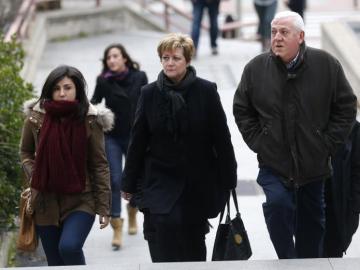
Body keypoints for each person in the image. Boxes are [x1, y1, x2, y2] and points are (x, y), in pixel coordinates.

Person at [233, 11, 357, 259]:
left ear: (300, 36)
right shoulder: (256, 69)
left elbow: (346, 107)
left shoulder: (326, 65)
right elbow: (242, 109)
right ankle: (287, 261)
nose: (276, 38)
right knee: (278, 206)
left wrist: (327, 144)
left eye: (283, 32)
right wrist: (261, 141)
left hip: (314, 165)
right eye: (273, 32)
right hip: (273, 163)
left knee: (312, 227)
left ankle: (307, 264)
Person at [121, 33, 237, 262]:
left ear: (187, 61)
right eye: (165, 58)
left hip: (196, 181)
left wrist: (229, 179)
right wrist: (128, 182)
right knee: (163, 229)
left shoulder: (206, 91)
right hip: (159, 179)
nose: (170, 63)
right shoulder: (149, 93)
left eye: (175, 58)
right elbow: (138, 140)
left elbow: (222, 139)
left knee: (193, 240)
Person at [19, 65, 112, 266]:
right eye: (57, 88)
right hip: (45, 201)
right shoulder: (35, 118)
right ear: (50, 90)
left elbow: (99, 165)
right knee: (55, 261)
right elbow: (25, 151)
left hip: (81, 199)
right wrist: (36, 172)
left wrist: (104, 207)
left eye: (68, 87)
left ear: (77, 89)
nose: (62, 93)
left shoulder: (89, 120)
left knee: (69, 247)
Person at [91, 43, 148, 250]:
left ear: (125, 58)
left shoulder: (140, 77)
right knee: (114, 180)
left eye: (115, 56)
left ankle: (132, 213)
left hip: (135, 137)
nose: (112, 60)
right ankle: (117, 225)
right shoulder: (103, 81)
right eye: (108, 58)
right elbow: (93, 103)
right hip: (112, 136)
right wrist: (96, 115)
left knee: (133, 178)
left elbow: (148, 102)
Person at [323, 119, 360, 257]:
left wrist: (354, 209)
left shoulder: (353, 128)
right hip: (310, 204)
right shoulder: (306, 119)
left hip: (339, 212)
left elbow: (357, 171)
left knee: (332, 254)